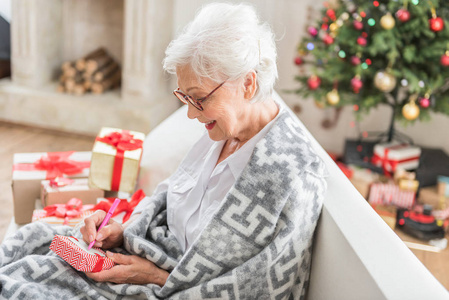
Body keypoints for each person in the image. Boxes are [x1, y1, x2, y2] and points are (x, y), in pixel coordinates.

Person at [0, 3, 327, 299]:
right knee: (33, 249)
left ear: (248, 84)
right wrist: (123, 231)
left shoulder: (294, 174)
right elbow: (170, 195)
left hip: (168, 285)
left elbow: (267, 289)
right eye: (184, 97)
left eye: (199, 98)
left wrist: (157, 278)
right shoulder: (225, 130)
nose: (190, 114)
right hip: (142, 255)